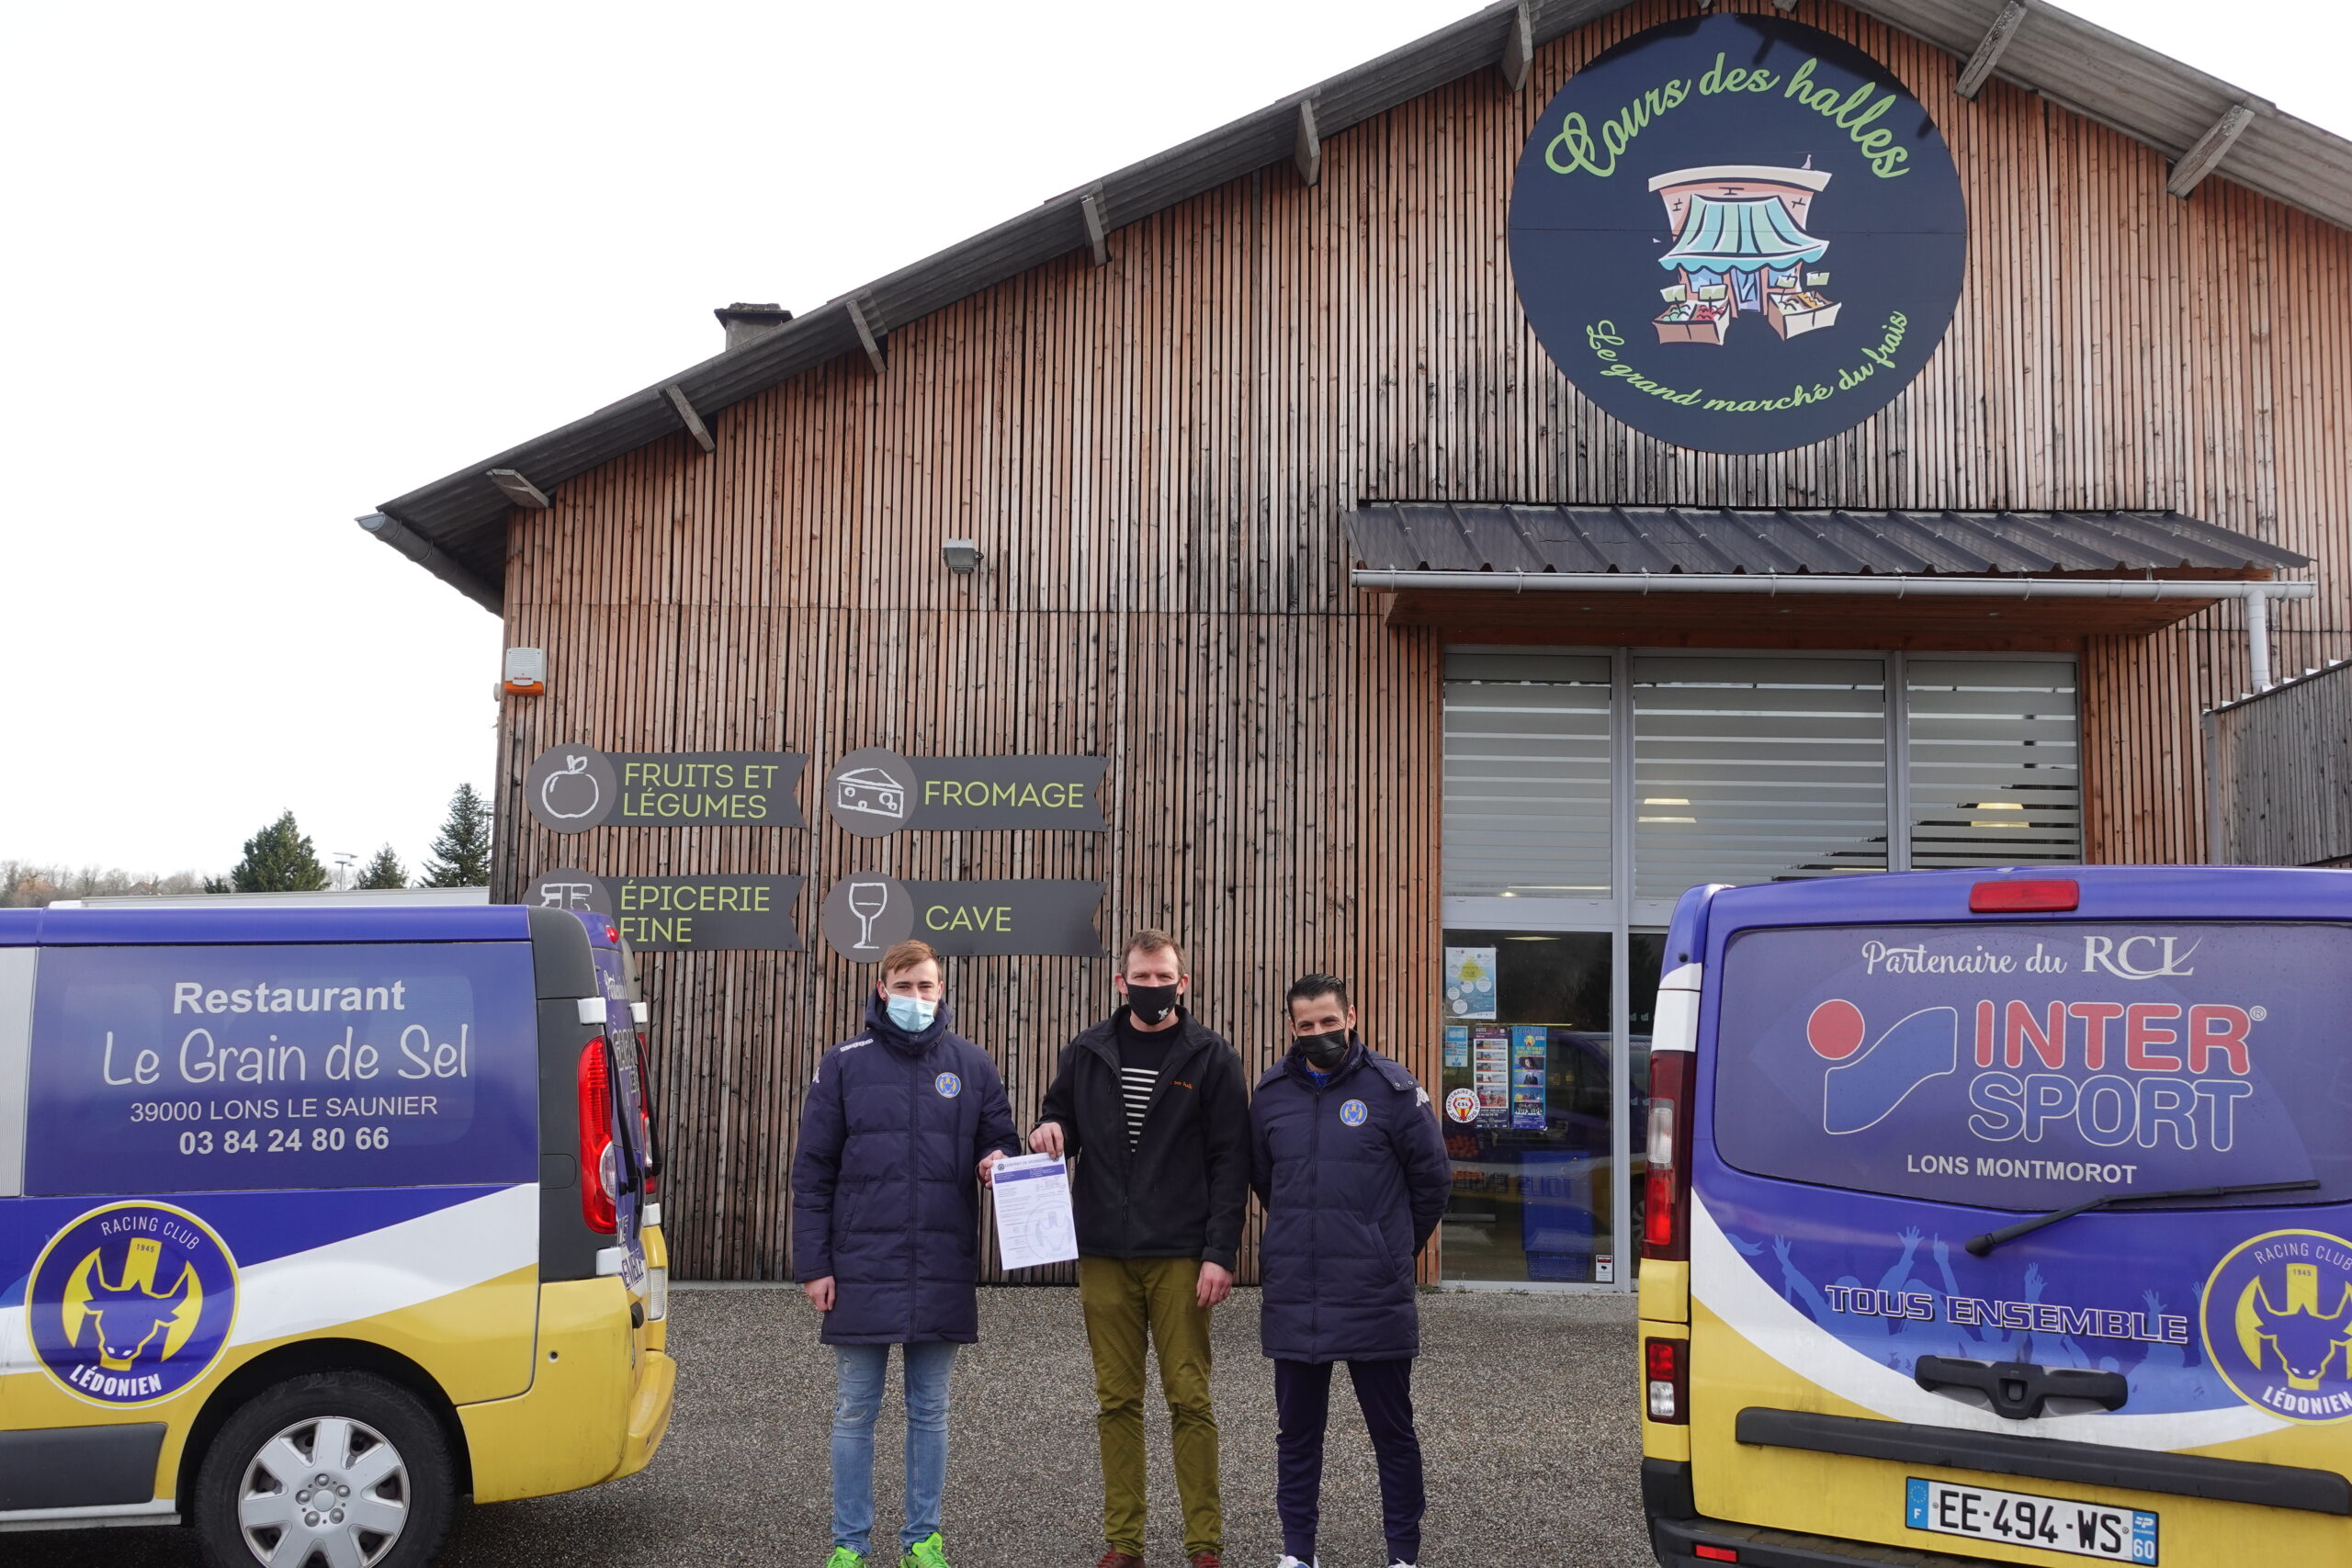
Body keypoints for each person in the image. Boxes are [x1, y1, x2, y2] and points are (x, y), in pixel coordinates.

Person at [794, 940, 1018, 1568]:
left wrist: (996, 1158)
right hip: (860, 1263)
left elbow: (998, 1135)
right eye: (906, 984)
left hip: (941, 1262)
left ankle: (923, 1539)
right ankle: (849, 1545)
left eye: (927, 986)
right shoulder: (843, 1063)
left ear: (941, 990)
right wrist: (815, 1263)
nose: (917, 997)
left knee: (930, 1409)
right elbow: (813, 1170)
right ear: (881, 985)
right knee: (855, 1408)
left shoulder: (971, 1064)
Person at [1032, 930, 1250, 1568]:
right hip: (1102, 1249)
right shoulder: (1087, 1051)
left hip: (1181, 1252)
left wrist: (1220, 1251)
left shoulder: (1210, 1055)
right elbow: (1059, 1117)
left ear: (1183, 982)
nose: (1154, 987)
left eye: (1165, 977)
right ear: (1120, 982)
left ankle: (1203, 1542)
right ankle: (1125, 1540)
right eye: (1142, 977)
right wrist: (1051, 1128)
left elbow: (1230, 1160)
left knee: (1190, 1397)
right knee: (1117, 1399)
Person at [1250, 973, 1451, 1568]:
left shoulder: (1393, 1089)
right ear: (1291, 1027)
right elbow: (1269, 1182)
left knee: (1392, 1433)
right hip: (1297, 1293)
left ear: (1352, 1016)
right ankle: (1297, 1553)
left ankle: (1402, 1555)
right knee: (1297, 1436)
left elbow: (1432, 1179)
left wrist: (1392, 1249)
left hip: (1373, 1293)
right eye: (1306, 1025)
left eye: (1328, 1022)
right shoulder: (1270, 1095)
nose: (1318, 1033)